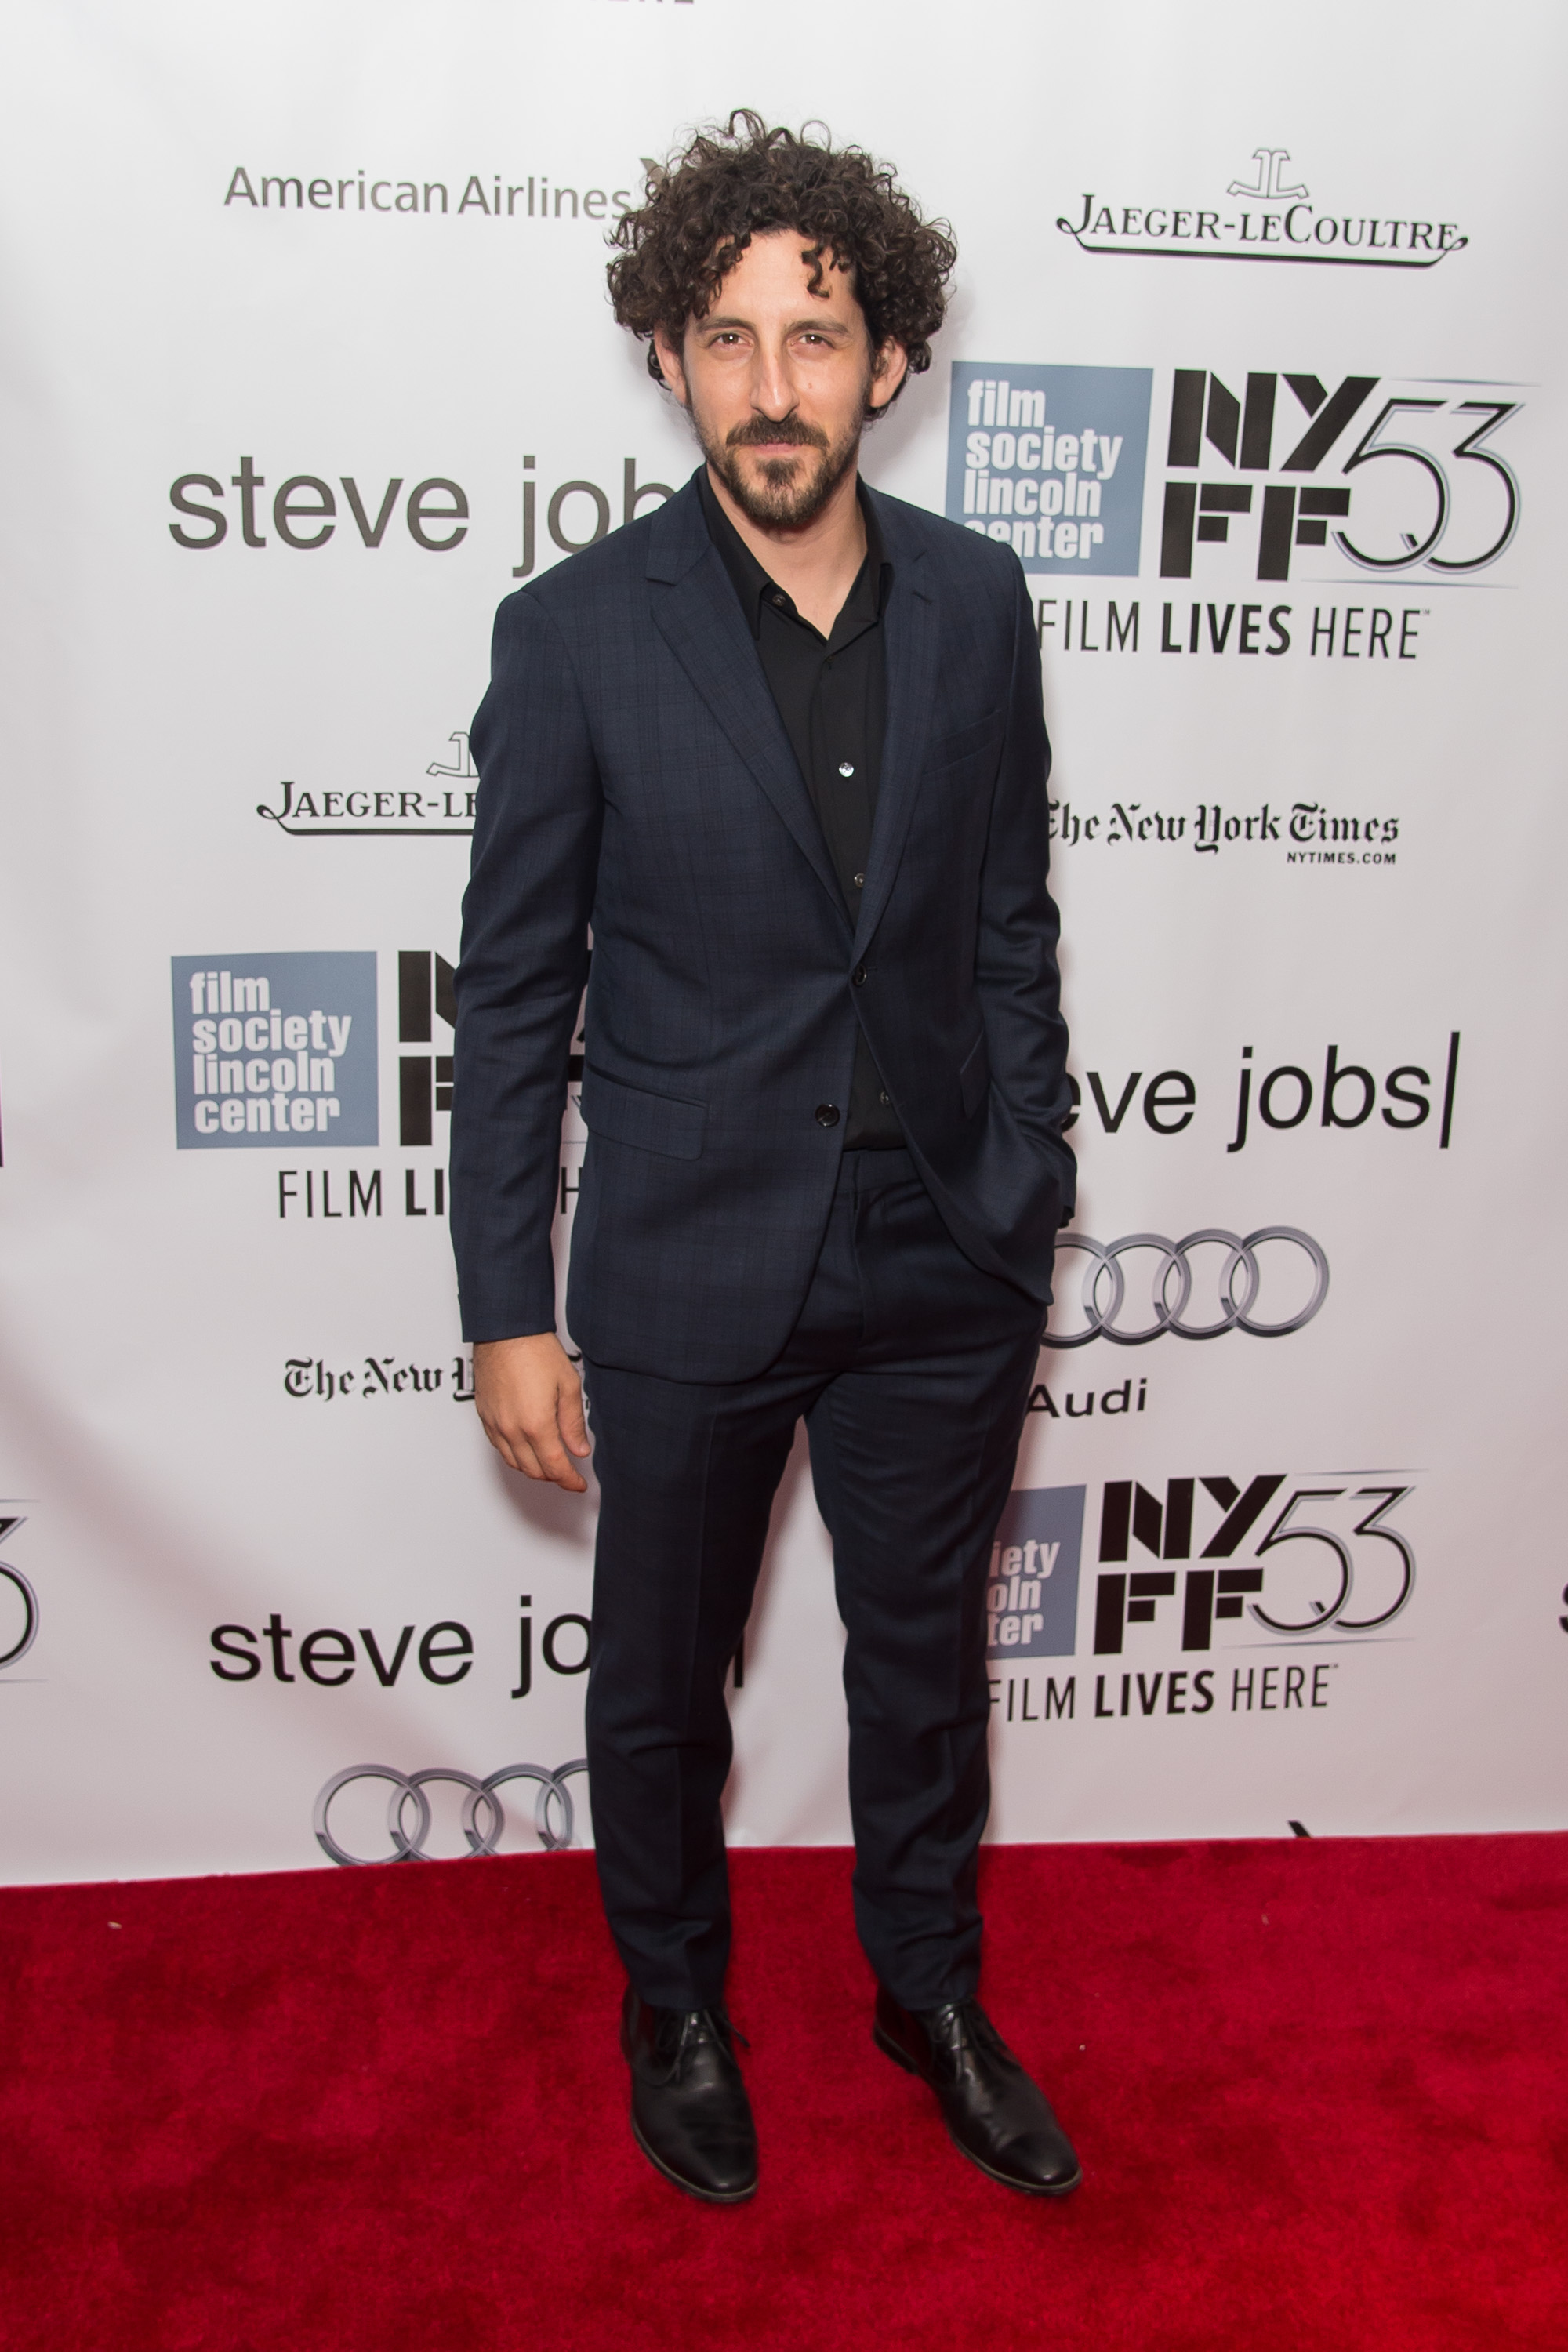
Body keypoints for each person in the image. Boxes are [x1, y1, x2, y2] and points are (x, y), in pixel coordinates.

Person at [451, 113, 1080, 2205]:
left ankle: (930, 1990)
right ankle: (679, 2004)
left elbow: (1007, 922)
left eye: (817, 338)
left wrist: (1025, 1175)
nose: (775, 385)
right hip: (689, 1260)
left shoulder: (982, 608)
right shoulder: (576, 634)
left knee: (924, 1669)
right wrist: (503, 1316)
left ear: (888, 361)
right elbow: (514, 999)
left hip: (941, 1255)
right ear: (670, 357)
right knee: (659, 1680)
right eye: (729, 339)